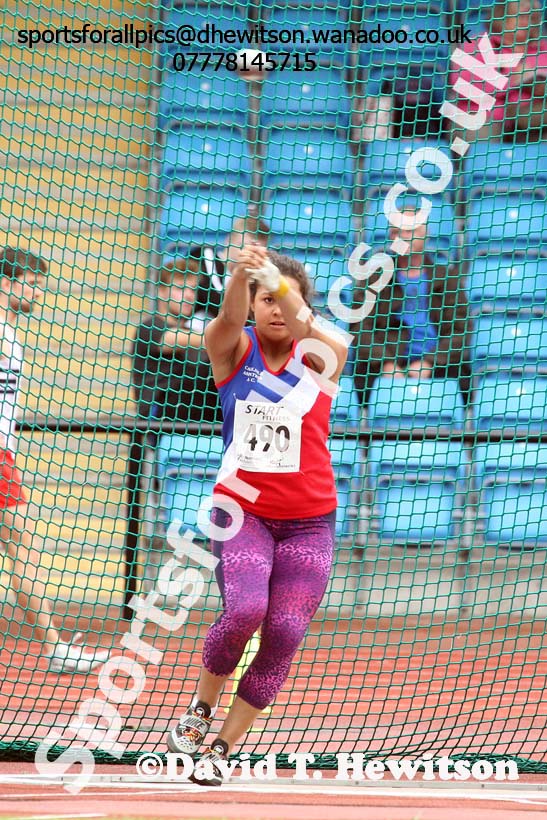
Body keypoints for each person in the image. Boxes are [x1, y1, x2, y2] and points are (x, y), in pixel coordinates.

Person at [165, 244, 348, 786]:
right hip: (244, 514)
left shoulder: (322, 354)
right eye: (263, 299)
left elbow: (317, 330)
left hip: (310, 522)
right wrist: (243, 280)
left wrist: (280, 282)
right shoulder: (232, 348)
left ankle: (224, 748)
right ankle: (200, 710)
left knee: (286, 630)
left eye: (281, 300)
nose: (273, 309)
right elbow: (227, 317)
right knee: (245, 610)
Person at [0, 247, 110, 674]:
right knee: (22, 543)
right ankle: (54, 648)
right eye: (30, 285)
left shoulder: (12, 332)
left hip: (4, 452)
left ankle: (54, 647)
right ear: (7, 283)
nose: (37, 294)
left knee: (21, 544)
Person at [351, 212, 472, 408]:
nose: (404, 236)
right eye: (397, 231)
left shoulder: (448, 279)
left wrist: (430, 362)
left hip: (440, 370)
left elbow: (461, 330)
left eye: (410, 230)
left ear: (426, 233)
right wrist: (386, 363)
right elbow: (359, 327)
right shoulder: (374, 278)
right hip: (383, 370)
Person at [131, 253, 222, 428]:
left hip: (197, 416)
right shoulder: (149, 328)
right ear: (162, 291)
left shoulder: (194, 333)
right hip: (159, 418)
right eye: (181, 288)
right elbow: (173, 340)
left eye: (193, 289)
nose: (189, 296)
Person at [449, 0, 547, 142]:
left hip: (529, 114)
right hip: (480, 115)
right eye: (519, 16)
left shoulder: (542, 48)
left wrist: (539, 88)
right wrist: (512, 81)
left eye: (531, 17)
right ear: (502, 16)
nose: (525, 22)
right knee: (480, 140)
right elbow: (460, 84)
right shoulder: (476, 43)